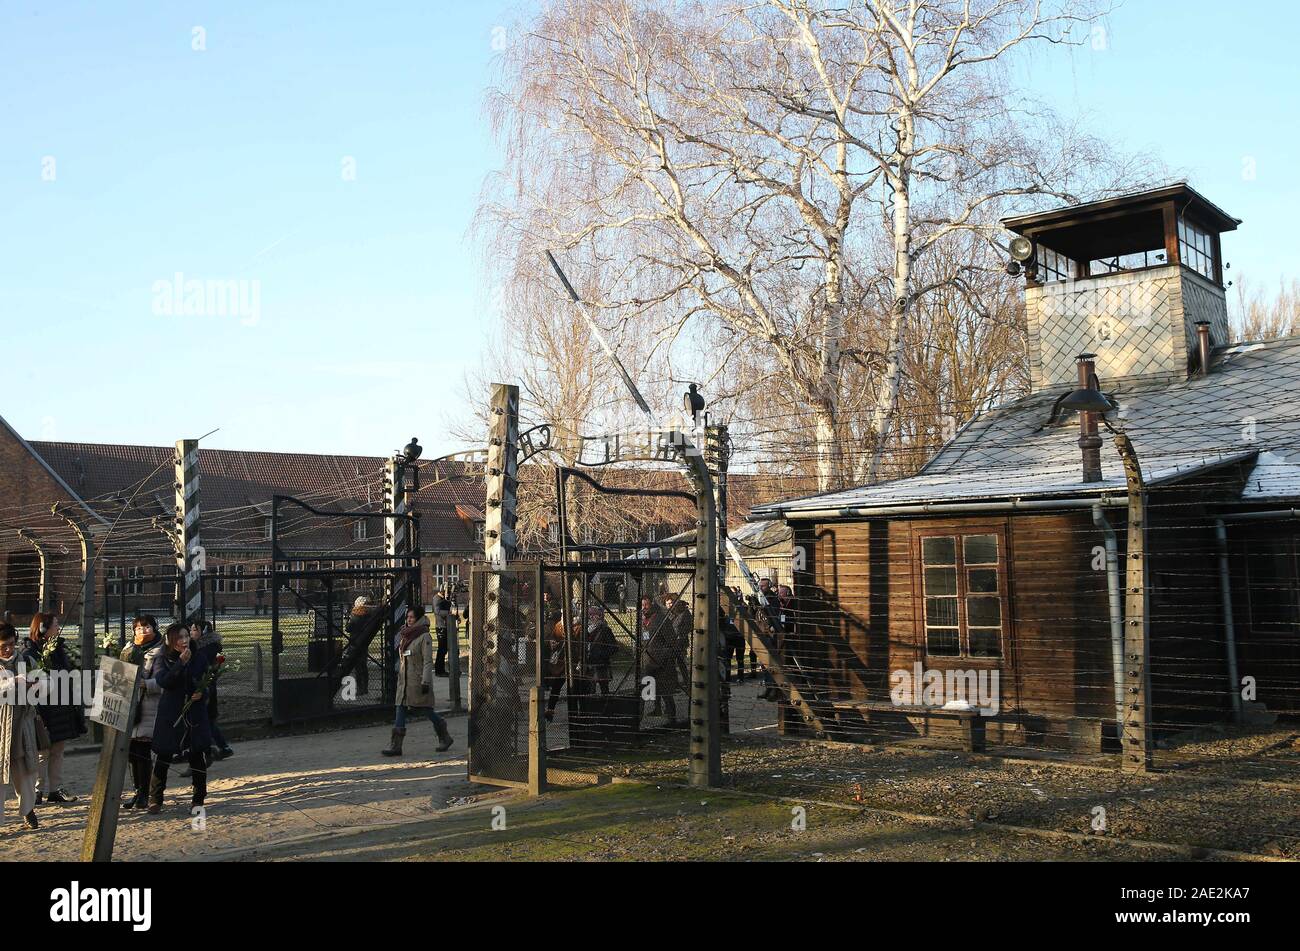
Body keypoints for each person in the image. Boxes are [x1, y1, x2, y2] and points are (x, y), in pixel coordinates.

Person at [147, 622, 211, 815]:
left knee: (197, 755)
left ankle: (198, 798)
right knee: (163, 755)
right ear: (170, 642)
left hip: (194, 712)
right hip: (171, 713)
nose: (184, 641)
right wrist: (180, 664)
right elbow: (164, 681)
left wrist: (202, 693)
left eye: (186, 636)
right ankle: (155, 798)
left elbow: (207, 681)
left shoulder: (199, 657)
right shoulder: (162, 658)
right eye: (179, 638)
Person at [22, 613, 85, 804]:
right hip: (43, 708)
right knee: (43, 751)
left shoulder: (58, 648)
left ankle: (55, 789)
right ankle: (37, 789)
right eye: (55, 625)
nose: (58, 629)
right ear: (42, 629)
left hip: (61, 706)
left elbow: (65, 672)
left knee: (58, 749)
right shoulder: (29, 653)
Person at [381, 606, 452, 756]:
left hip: (417, 680)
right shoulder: (405, 634)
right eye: (407, 617)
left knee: (425, 709)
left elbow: (427, 661)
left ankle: (444, 734)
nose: (409, 620)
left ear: (419, 618)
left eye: (412, 617)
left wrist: (425, 682)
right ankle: (396, 745)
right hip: (404, 681)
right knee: (400, 707)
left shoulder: (424, 636)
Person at [119, 615, 165, 810]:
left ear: (154, 628)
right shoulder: (128, 649)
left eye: (146, 627)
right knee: (131, 752)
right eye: (138, 628)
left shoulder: (160, 652)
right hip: (130, 705)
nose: (142, 631)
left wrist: (144, 683)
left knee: (143, 753)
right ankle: (137, 791)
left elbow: (163, 682)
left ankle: (145, 794)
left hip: (148, 707)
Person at [0, 623, 40, 830]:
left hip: (22, 723)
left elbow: (46, 684)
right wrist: (12, 683)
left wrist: (37, 685)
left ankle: (27, 809)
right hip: (0, 724)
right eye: (3, 646)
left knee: (25, 770)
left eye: (11, 644)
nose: (8, 649)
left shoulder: (26, 659)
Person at [190, 620, 233, 761]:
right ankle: (221, 746)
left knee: (206, 718)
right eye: (191, 630)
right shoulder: (204, 647)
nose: (191, 633)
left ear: (204, 632)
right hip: (206, 685)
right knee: (208, 719)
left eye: (194, 630)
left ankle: (214, 748)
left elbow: (206, 669)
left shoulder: (206, 648)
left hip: (206, 687)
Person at [584, 604, 616, 696]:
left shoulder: (605, 630)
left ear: (599, 616)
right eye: (590, 615)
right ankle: (590, 707)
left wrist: (602, 654)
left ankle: (605, 707)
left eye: (594, 615)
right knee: (590, 689)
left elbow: (613, 647)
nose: (591, 617)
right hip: (589, 662)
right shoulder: (586, 630)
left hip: (601, 663)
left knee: (604, 688)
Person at [433, 588, 456, 677]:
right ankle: (439, 670)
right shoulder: (437, 599)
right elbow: (437, 611)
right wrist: (449, 612)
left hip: (445, 626)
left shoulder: (443, 599)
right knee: (441, 649)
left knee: (444, 649)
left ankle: (441, 669)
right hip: (441, 627)